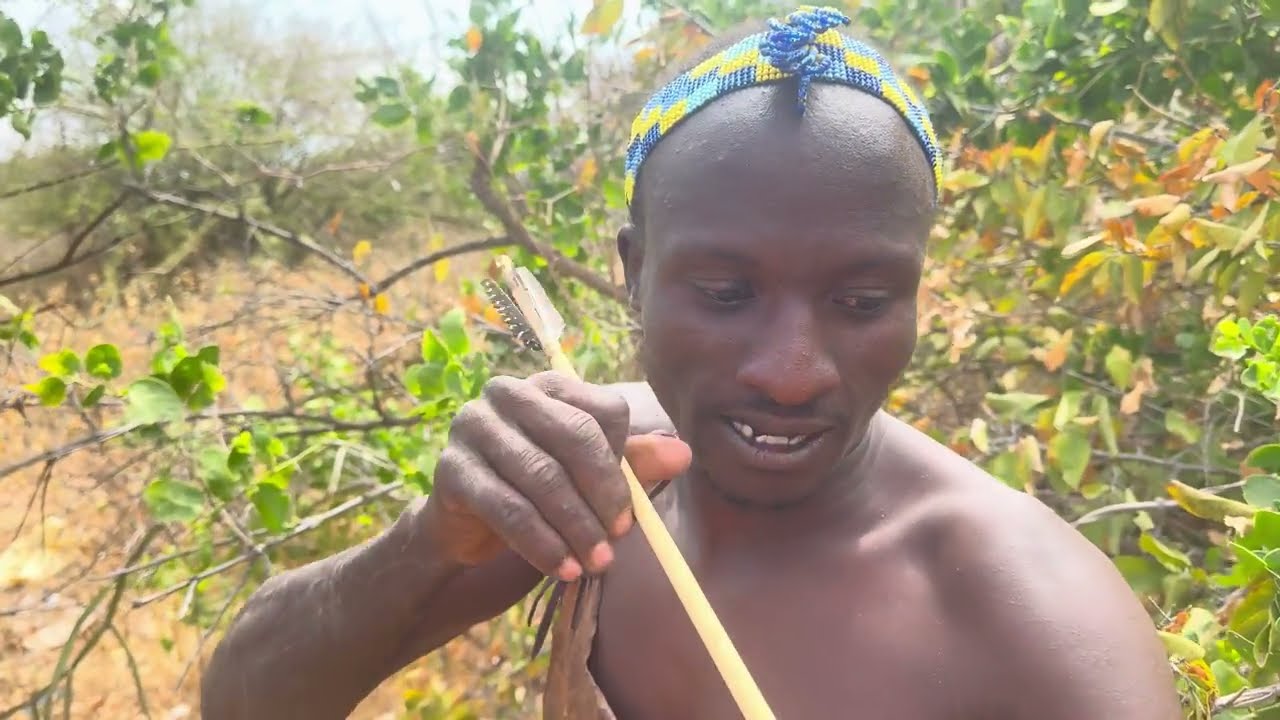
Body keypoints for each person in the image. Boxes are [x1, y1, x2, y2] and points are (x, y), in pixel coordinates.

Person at [200, 6, 1184, 719]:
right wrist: (431, 539)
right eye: (723, 294)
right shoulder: (597, 472)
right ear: (632, 274)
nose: (791, 372)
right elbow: (245, 700)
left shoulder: (1030, 623)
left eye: (859, 302)